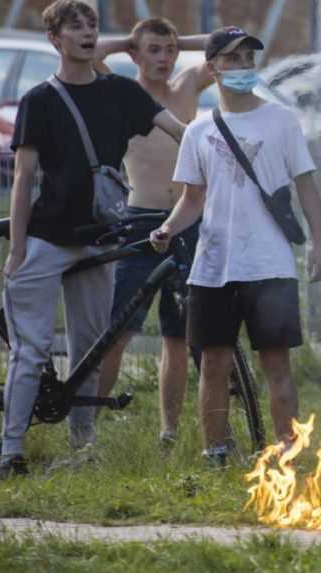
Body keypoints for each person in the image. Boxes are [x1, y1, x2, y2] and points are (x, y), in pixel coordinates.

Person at [0, 0, 185, 478]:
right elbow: (23, 178)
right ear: (55, 40)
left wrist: (217, 153)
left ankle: (84, 445)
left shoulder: (121, 93)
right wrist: (16, 249)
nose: (86, 32)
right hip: (45, 238)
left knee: (90, 348)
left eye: (92, 25)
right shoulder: (39, 99)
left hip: (100, 238)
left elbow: (179, 131)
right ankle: (11, 450)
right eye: (74, 26)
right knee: (31, 348)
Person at [149, 26, 321, 466]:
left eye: (249, 58)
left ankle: (288, 452)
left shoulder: (280, 119)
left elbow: (306, 186)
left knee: (276, 365)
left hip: (271, 264)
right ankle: (216, 452)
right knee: (213, 364)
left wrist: (320, 244)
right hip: (213, 265)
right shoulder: (197, 131)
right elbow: (193, 198)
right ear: (212, 69)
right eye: (233, 59)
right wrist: (169, 229)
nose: (244, 66)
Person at [93, 18, 213, 447]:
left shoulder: (186, 88)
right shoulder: (126, 92)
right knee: (119, 331)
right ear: (136, 55)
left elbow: (228, 41)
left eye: (170, 50)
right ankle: (84, 429)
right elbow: (85, 53)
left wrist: (181, 39)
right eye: (154, 51)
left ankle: (169, 431)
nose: (164, 58)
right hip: (141, 221)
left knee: (177, 336)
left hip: (188, 220)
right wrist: (130, 40)